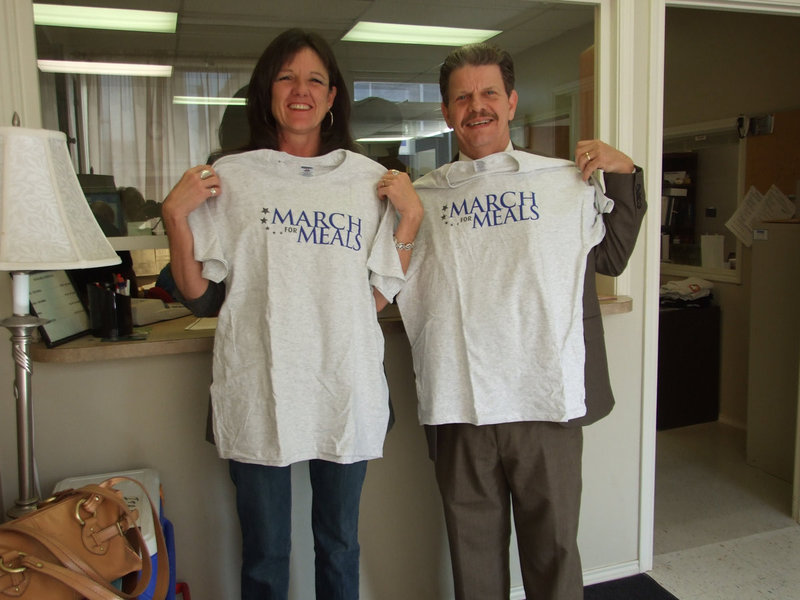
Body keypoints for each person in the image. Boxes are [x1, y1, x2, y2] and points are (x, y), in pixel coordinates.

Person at [162, 28, 422, 600]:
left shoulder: (368, 182)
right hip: (260, 386)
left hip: (343, 384)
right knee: (265, 553)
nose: (300, 90)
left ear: (333, 98)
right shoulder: (232, 177)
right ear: (267, 92)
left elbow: (375, 298)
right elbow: (194, 288)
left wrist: (408, 222)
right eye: (286, 77)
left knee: (338, 545)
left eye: (314, 80)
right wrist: (176, 218)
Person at [395, 43, 647, 600]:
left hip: (545, 399)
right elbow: (388, 282)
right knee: (473, 555)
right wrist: (404, 217)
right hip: (461, 403)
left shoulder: (560, 183)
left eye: (488, 93)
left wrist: (623, 171)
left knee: (553, 551)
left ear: (511, 103)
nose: (476, 106)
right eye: (462, 96)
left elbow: (611, 257)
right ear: (445, 112)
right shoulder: (424, 199)